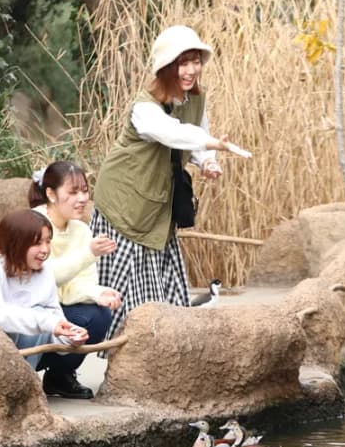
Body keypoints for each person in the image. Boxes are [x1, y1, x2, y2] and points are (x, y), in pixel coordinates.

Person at [91, 24, 251, 335]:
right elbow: (170, 132)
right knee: (121, 293)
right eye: (183, 62)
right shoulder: (144, 107)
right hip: (124, 206)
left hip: (158, 209)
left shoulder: (195, 99)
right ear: (166, 67)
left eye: (196, 62)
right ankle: (107, 358)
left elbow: (195, 138)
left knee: (162, 294)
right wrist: (212, 144)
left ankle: (157, 354)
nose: (192, 70)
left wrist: (208, 161)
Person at [0, 208, 95, 399]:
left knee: (81, 316)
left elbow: (53, 316)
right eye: (37, 243)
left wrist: (69, 336)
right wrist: (49, 322)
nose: (45, 250)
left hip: (16, 352)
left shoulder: (44, 271)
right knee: (37, 315)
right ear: (15, 243)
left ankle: (20, 385)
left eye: (48, 241)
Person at [29, 160, 120, 372]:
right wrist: (89, 253)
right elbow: (44, 279)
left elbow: (77, 285)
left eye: (85, 191)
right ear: (51, 194)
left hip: (58, 308)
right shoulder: (33, 223)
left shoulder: (81, 230)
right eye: (73, 192)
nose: (82, 199)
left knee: (99, 315)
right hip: (31, 310)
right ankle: (26, 371)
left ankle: (61, 377)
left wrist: (99, 294)